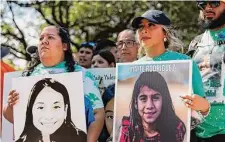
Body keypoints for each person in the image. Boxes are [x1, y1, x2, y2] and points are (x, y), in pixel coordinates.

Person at [3, 26, 105, 142]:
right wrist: (11, 106)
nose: (44, 41)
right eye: (41, 38)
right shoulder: (27, 76)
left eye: (50, 37)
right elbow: (13, 117)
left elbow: (98, 113)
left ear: (64, 46)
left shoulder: (81, 74)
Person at [131, 9, 210, 118]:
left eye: (151, 25)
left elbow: (203, 108)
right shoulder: (133, 67)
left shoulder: (184, 62)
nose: (144, 30)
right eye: (141, 27)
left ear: (165, 33)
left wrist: (204, 107)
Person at [188, 0, 225, 141]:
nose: (208, 7)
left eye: (214, 3)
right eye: (203, 4)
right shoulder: (195, 42)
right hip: (197, 130)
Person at [119, 72, 186, 142]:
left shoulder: (175, 128)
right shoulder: (127, 129)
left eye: (155, 98)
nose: (149, 106)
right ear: (136, 103)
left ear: (164, 101)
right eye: (143, 98)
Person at [16, 78, 86, 142]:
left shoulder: (81, 138)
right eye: (41, 107)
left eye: (56, 107)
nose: (49, 116)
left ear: (65, 109)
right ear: (31, 110)